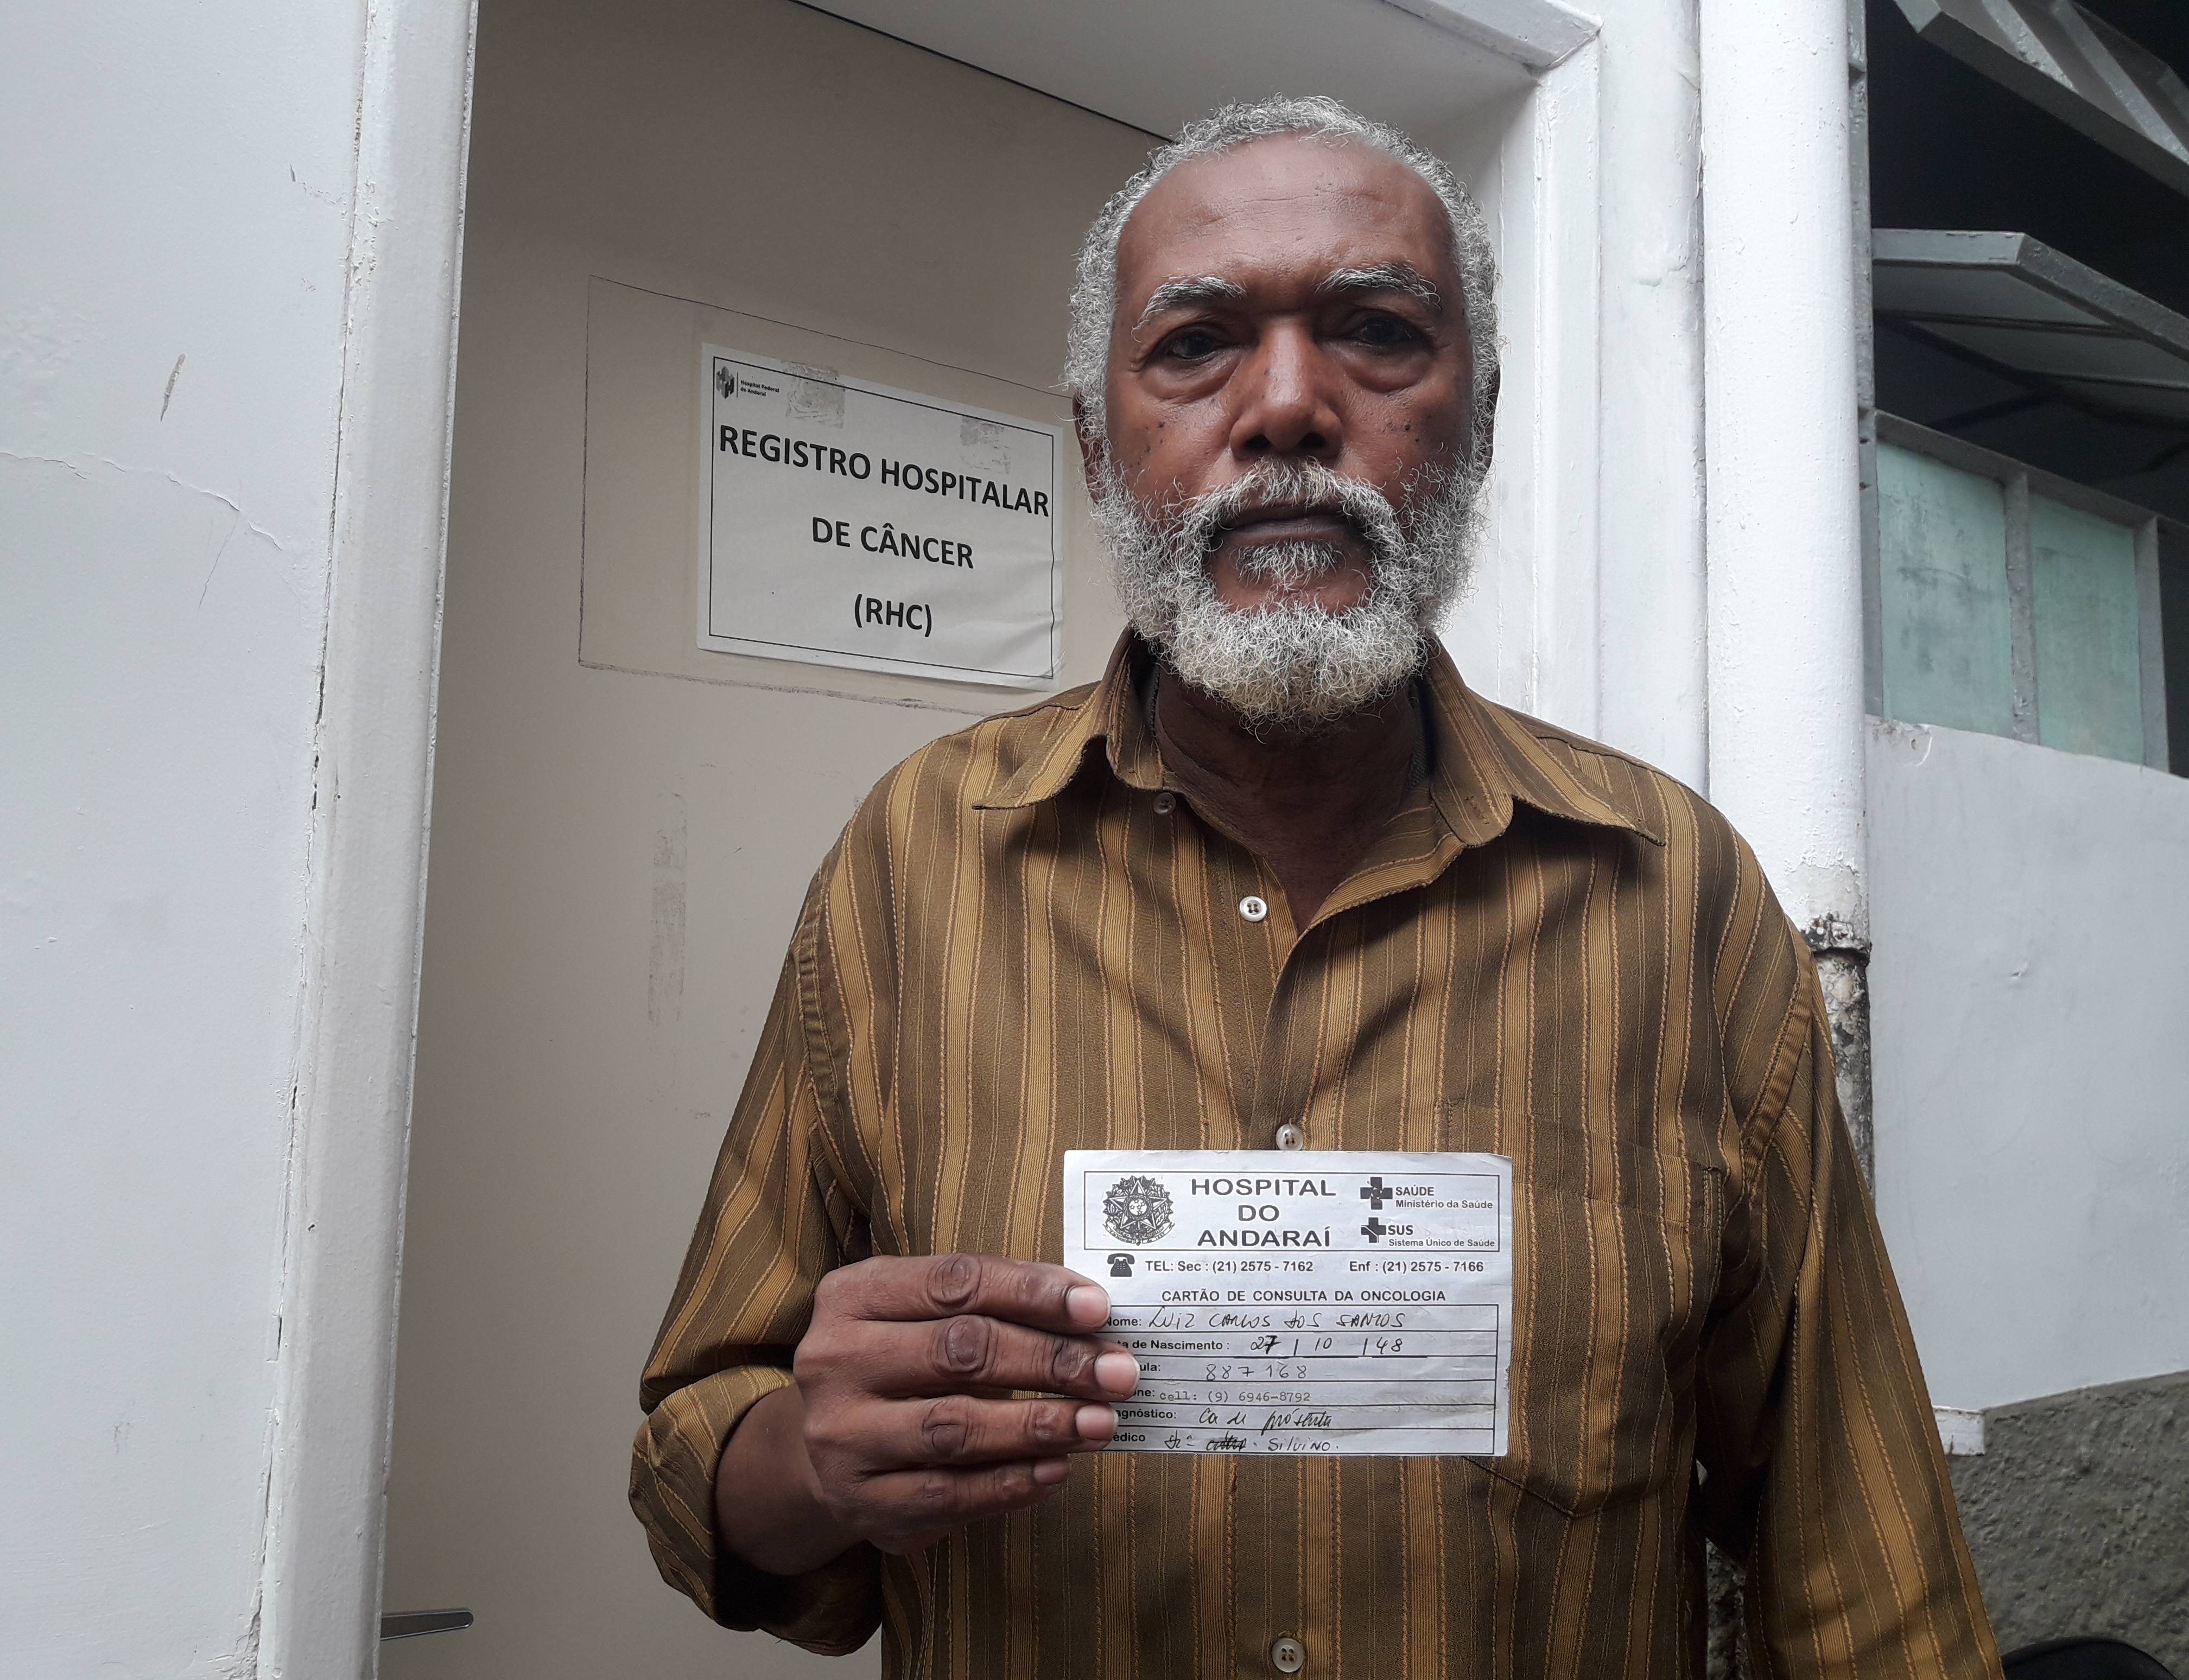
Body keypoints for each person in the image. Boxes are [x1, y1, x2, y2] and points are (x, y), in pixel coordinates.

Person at [630, 95, 2001, 1677]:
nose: (1286, 406)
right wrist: (813, 1464)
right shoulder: (917, 859)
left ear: (1481, 422)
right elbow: (694, 1455)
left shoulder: (1677, 897)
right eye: (1196, 345)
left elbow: (1863, 1567)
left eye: (1377, 334)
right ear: (1096, 443)